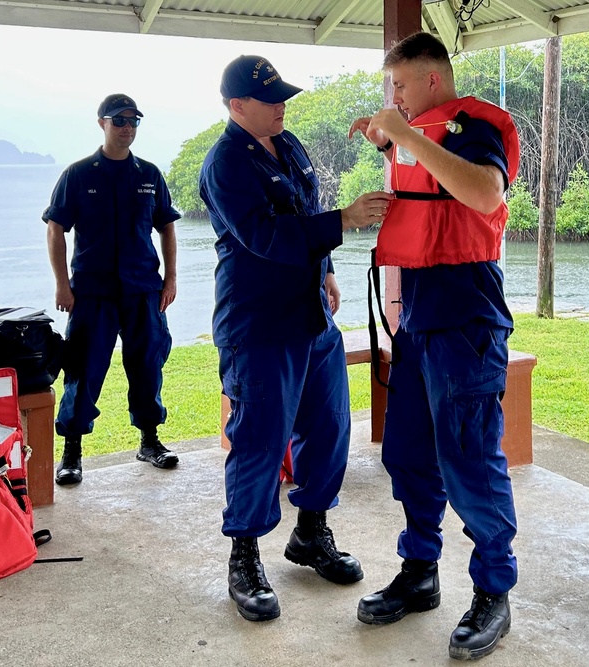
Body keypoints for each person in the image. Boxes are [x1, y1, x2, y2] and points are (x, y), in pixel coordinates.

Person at [199, 55, 394, 623]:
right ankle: (244, 556)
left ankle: (310, 532)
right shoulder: (226, 163)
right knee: (259, 440)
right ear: (237, 107)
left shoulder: (290, 145)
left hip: (311, 317)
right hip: (258, 324)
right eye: (270, 98)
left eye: (283, 95)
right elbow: (263, 233)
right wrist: (345, 220)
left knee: (331, 425)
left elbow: (303, 209)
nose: (282, 104)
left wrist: (328, 266)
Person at [348, 32, 521, 661]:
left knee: (470, 462)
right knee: (410, 456)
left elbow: (484, 193)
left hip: (467, 321)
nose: (392, 97)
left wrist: (406, 133)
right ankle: (420, 570)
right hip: (419, 320)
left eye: (398, 85)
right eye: (388, 88)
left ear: (430, 81)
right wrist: (390, 133)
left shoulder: (473, 127)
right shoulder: (422, 129)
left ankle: (493, 592)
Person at [43, 93, 181, 486]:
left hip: (143, 289)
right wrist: (62, 285)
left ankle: (150, 441)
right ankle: (72, 453)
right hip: (92, 292)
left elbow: (167, 226)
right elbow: (55, 228)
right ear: (101, 123)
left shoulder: (150, 175)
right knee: (83, 371)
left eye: (134, 120)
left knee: (147, 366)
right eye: (119, 120)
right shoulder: (79, 174)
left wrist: (170, 279)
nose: (127, 127)